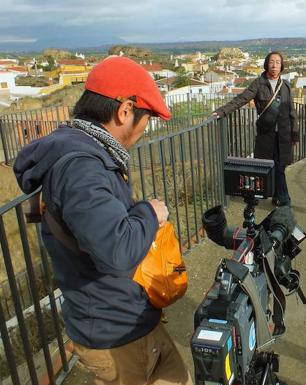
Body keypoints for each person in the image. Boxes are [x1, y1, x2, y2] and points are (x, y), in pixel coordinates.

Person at [13, 56, 192, 385]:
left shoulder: (85, 150)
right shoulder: (81, 168)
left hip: (127, 318)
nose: (144, 129)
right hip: (116, 335)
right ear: (125, 111)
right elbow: (118, 248)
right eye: (146, 118)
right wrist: (150, 212)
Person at [212, 51, 298, 207]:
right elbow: (242, 99)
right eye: (272, 61)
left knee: (280, 167)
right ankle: (283, 199)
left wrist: (295, 135)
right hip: (266, 134)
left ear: (282, 66)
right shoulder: (259, 83)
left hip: (284, 135)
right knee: (269, 166)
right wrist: (222, 111)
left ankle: (281, 197)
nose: (274, 65)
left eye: (278, 62)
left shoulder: (285, 85)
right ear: (266, 64)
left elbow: (292, 112)